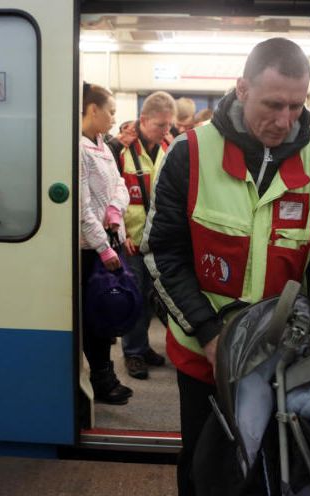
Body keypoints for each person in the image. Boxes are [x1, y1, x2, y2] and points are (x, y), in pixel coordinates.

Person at [140, 38, 310, 496]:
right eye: (272, 104)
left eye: (296, 106)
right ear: (242, 89)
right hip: (206, 359)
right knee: (208, 482)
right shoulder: (189, 155)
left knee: (278, 486)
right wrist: (211, 334)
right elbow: (160, 253)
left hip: (287, 366)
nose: (284, 121)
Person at [114, 91, 176, 380]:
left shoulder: (168, 146)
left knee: (154, 298)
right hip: (132, 240)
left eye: (168, 125)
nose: (166, 130)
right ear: (143, 120)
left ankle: (143, 346)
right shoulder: (121, 149)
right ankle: (133, 353)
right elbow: (110, 196)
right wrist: (120, 233)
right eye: (160, 125)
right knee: (135, 297)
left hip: (158, 240)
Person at [79, 83, 133, 405]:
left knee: (107, 311)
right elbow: (82, 209)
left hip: (110, 239)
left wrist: (116, 209)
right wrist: (103, 247)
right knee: (96, 316)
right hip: (91, 249)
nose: (114, 118)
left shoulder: (105, 145)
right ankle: (102, 380)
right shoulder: (79, 150)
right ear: (93, 109)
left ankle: (105, 375)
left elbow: (121, 185)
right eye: (111, 111)